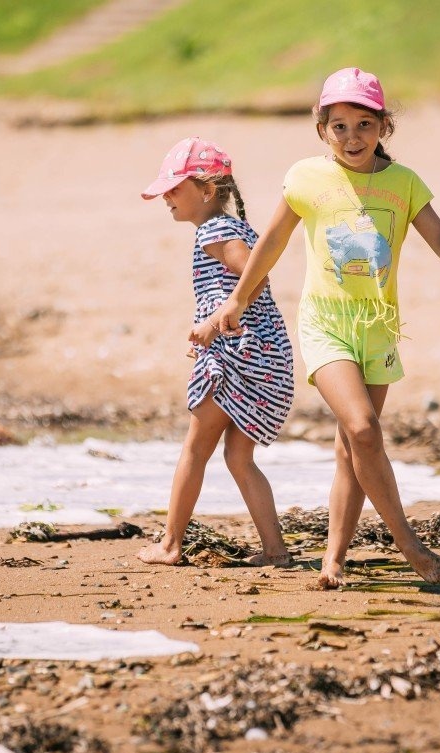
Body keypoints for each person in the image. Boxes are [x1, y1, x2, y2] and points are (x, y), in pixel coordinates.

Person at [211, 68, 440, 588]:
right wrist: (237, 299)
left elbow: (439, 238)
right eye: (339, 126)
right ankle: (410, 545)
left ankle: (334, 559)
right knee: (362, 428)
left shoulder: (404, 183)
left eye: (364, 124)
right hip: (325, 322)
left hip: (378, 325)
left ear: (383, 126)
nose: (352, 137)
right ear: (321, 129)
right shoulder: (306, 178)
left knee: (352, 450)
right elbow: (270, 243)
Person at [136, 137, 295, 568]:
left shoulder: (217, 230)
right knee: (238, 457)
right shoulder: (234, 229)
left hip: (239, 359)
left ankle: (170, 544)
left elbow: (254, 275)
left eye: (175, 187)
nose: (166, 195)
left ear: (207, 191)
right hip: (265, 358)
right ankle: (275, 551)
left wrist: (213, 324)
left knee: (195, 449)